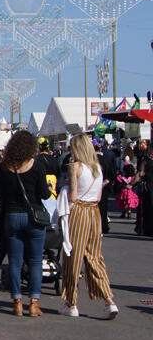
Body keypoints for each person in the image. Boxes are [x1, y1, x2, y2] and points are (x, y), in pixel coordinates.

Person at [0, 132, 51, 317]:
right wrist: (47, 188)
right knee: (34, 261)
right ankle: (34, 303)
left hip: (12, 216)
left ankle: (17, 302)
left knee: (15, 262)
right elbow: (44, 194)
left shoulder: (4, 167)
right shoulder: (37, 165)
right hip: (33, 217)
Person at [59, 135, 118, 319]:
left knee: (73, 257)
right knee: (94, 257)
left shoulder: (74, 167)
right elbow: (99, 197)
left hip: (80, 212)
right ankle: (109, 300)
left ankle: (72, 303)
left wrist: (66, 187)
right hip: (94, 213)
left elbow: (74, 197)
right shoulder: (97, 169)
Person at [94, 140, 117, 235]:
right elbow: (112, 172)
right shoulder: (107, 159)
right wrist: (109, 181)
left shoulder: (92, 160)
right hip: (105, 185)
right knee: (103, 207)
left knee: (95, 206)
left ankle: (96, 225)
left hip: (95, 185)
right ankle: (104, 225)